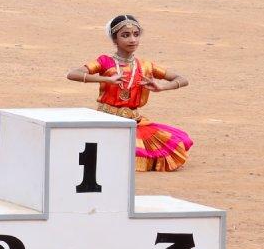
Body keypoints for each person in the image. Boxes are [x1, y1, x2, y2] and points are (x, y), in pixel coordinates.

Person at [67, 15, 194, 172]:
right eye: (125, 35)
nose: (132, 40)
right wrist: (106, 79)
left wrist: (161, 87)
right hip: (107, 120)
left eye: (136, 34)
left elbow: (182, 79)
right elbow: (73, 74)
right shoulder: (105, 62)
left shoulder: (145, 66)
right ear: (115, 40)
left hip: (134, 122)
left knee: (175, 144)